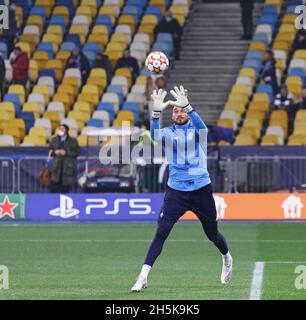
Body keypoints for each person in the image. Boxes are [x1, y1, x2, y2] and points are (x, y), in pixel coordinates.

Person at [131, 86, 233, 292]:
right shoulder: (167, 132)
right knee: (161, 232)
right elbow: (154, 135)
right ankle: (142, 276)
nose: (178, 113)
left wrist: (189, 106)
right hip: (176, 192)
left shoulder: (198, 131)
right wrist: (156, 114)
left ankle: (227, 258)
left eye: (181, 110)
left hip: (200, 190)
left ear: (187, 112)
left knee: (212, 234)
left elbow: (203, 128)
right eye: (175, 111)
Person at [49, 124, 80, 193]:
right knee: (54, 187)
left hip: (67, 168)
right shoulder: (54, 140)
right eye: (60, 129)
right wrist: (55, 152)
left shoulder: (73, 141)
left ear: (66, 130)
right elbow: (50, 151)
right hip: (56, 167)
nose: (60, 130)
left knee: (65, 188)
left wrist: (66, 153)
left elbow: (76, 152)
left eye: (62, 129)